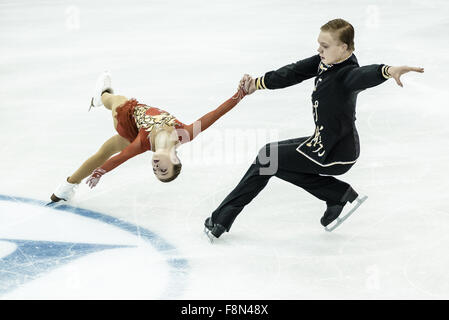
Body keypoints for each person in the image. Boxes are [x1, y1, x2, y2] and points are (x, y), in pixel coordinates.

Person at [204, 18, 424, 239]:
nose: (319, 49)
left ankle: (221, 219)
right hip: (322, 143)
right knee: (272, 160)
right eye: (319, 44)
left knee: (267, 158)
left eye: (325, 46)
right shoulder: (325, 61)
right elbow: (293, 72)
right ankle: (337, 194)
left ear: (344, 47)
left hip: (336, 153)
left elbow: (365, 74)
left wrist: (387, 70)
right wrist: (258, 83)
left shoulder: (347, 75)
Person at [50, 72, 246, 203]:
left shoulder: (143, 144)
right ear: (175, 159)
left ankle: (101, 95)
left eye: (156, 171)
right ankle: (65, 187)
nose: (155, 167)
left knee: (118, 101)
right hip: (136, 128)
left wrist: (101, 172)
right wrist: (241, 94)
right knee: (104, 151)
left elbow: (122, 157)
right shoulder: (186, 133)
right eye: (163, 169)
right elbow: (216, 113)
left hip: (126, 118)